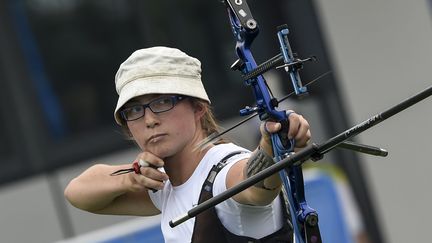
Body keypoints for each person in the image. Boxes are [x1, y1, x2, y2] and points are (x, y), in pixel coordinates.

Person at [64, 46, 311, 243]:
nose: (149, 120)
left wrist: (271, 144)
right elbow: (77, 192)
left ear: (198, 107)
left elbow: (255, 185)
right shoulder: (166, 188)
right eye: (135, 110)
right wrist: (130, 178)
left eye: (163, 102)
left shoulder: (224, 168)